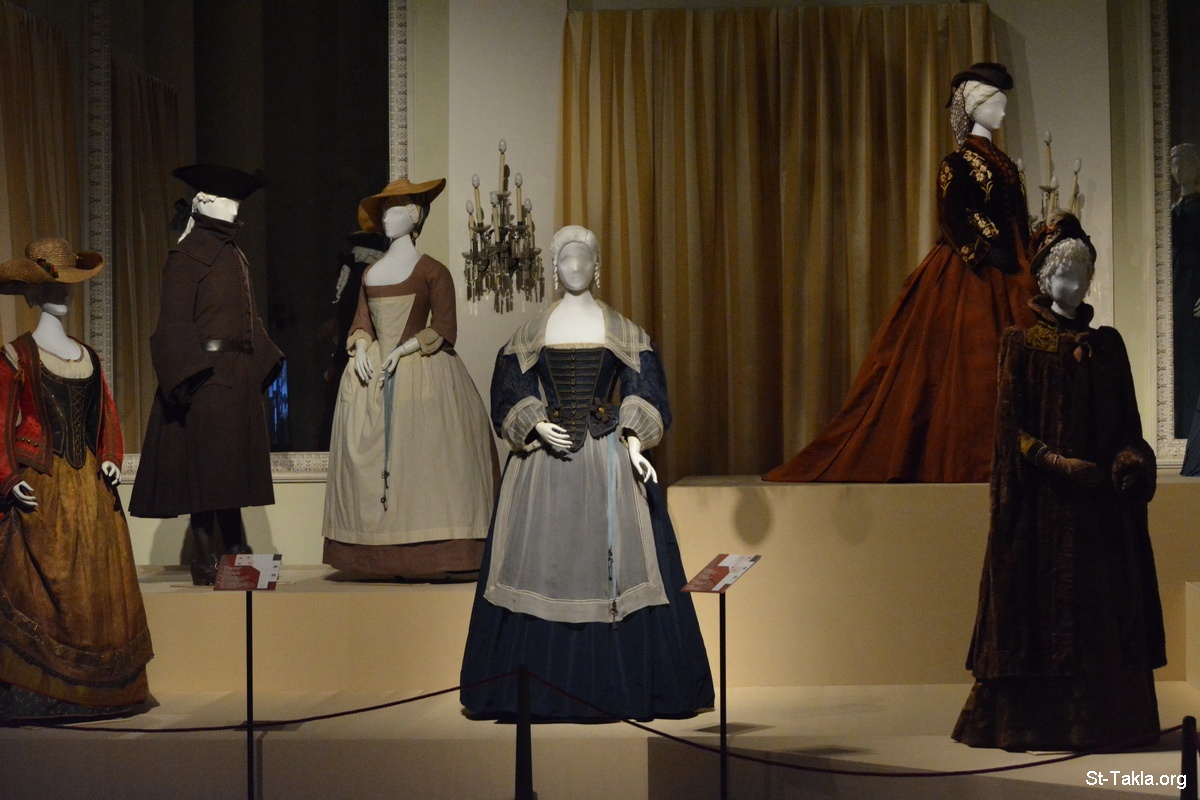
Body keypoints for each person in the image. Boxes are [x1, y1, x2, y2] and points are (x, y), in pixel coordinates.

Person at [460, 225, 714, 720]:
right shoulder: (531, 333)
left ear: (597, 267)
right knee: (540, 563)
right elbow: (509, 386)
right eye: (566, 259)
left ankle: (621, 683)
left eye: (584, 259)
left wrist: (635, 440)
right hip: (543, 465)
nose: (575, 266)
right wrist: (535, 424)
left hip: (608, 459)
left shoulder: (624, 331)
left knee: (621, 563)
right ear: (555, 269)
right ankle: (534, 685)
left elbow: (644, 386)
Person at [765, 62, 1037, 483]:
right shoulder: (957, 163)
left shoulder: (1006, 165)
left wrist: (1026, 256)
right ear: (975, 106)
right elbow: (952, 218)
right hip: (969, 274)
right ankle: (962, 458)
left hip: (1012, 272)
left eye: (1004, 102)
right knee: (964, 365)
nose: (1003, 110)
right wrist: (982, 251)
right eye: (996, 102)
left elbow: (1017, 217)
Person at [953, 213, 1165, 751]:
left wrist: (1130, 463)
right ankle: (1030, 722)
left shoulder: (1108, 347)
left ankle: (1109, 723)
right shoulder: (1022, 346)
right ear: (1046, 278)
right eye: (1067, 273)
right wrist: (1057, 463)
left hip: (1099, 515)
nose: (1077, 283)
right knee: (1040, 611)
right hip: (1042, 513)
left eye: (1084, 272)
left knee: (1099, 613)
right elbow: (1010, 434)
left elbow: (1130, 428)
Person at [0, 239, 153, 719]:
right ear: (31, 294)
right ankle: (39, 690)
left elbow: (105, 415)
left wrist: (111, 457)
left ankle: (107, 690)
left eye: (66, 286)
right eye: (52, 286)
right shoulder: (16, 355)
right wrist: (7, 477)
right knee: (40, 583)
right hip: (40, 483)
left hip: (90, 486)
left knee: (99, 586)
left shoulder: (89, 356)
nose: (62, 294)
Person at [322, 178, 497, 579]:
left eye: (396, 209)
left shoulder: (433, 271)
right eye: (384, 210)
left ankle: (436, 552)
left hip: (424, 369)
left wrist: (403, 350)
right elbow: (361, 323)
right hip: (372, 374)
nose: (387, 217)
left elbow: (445, 327)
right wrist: (361, 347)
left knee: (430, 458)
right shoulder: (369, 273)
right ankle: (370, 554)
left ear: (416, 215)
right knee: (368, 456)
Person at [129, 164, 284, 586]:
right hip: (207, 379)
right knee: (207, 471)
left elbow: (247, 317)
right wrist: (187, 377)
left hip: (237, 377)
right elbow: (173, 322)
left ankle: (235, 554)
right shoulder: (187, 255)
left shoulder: (233, 254)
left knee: (231, 472)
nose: (235, 209)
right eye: (229, 200)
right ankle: (206, 557)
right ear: (205, 202)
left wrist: (262, 360)